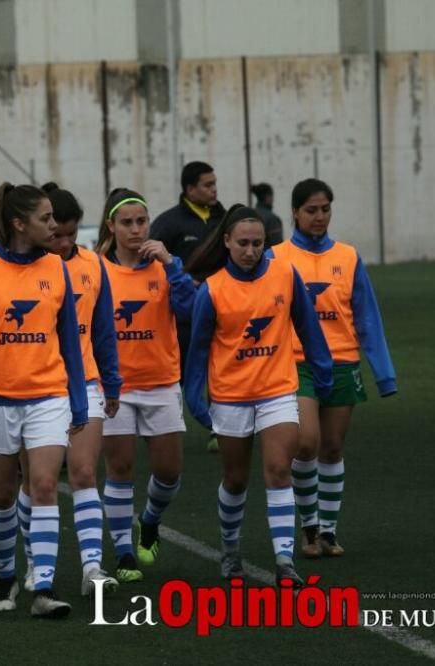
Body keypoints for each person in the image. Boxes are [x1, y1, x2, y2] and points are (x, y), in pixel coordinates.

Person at [0, 182, 87, 618]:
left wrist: (79, 400)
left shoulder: (57, 267)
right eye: (46, 218)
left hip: (48, 394)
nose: (55, 225)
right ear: (18, 223)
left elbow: (70, 339)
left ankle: (43, 588)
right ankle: (6, 575)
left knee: (45, 486)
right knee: (3, 494)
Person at [184, 204, 332, 587]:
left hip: (277, 390)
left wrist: (322, 367)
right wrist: (195, 396)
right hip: (231, 397)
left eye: (258, 243)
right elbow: (198, 349)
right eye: (243, 243)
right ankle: (230, 551)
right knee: (235, 480)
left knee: (279, 470)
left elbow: (307, 325)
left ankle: (284, 562)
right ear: (228, 242)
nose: (250, 251)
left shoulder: (285, 274)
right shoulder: (213, 289)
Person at [271, 179, 397, 558]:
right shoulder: (276, 258)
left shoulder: (348, 257)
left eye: (325, 209)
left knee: (333, 447)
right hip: (297, 363)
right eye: (311, 210)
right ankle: (308, 528)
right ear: (295, 212)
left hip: (343, 361)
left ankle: (328, 531)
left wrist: (384, 374)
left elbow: (367, 317)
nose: (319, 216)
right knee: (306, 442)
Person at [15, 183, 122, 596]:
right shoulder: (20, 269)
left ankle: (91, 569)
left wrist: (111, 383)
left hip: (86, 383)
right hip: (35, 387)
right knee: (35, 484)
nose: (62, 242)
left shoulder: (94, 266)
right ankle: (33, 563)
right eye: (55, 233)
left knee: (82, 473)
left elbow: (103, 332)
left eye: (71, 234)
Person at [95, 188, 195, 583]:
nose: (136, 229)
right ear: (112, 227)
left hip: (161, 383)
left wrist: (172, 265)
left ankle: (150, 519)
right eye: (127, 223)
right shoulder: (98, 269)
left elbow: (189, 311)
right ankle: (123, 552)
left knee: (169, 471)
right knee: (119, 469)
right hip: (115, 389)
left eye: (142, 221)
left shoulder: (165, 267)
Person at [151, 162, 226, 453]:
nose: (214, 189)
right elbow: (152, 261)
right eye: (207, 185)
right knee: (180, 373)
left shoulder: (225, 220)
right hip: (182, 315)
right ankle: (167, 426)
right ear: (189, 189)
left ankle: (219, 427)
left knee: (219, 370)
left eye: (214, 183)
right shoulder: (169, 223)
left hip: (220, 309)